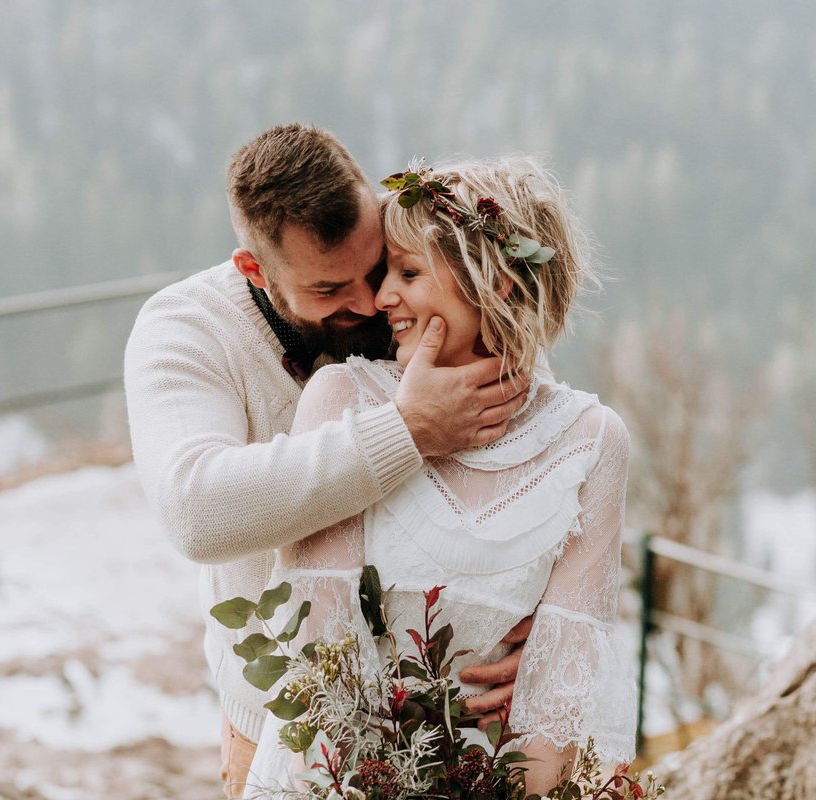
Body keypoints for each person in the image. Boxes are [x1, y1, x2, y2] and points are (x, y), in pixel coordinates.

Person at [123, 125, 532, 796]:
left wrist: (538, 632)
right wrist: (408, 430)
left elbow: (529, 451)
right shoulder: (184, 332)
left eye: (375, 268)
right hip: (288, 721)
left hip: (459, 703)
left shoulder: (409, 272)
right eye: (330, 288)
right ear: (254, 269)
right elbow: (195, 511)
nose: (371, 301)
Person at [242, 156, 635, 797]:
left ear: (499, 281)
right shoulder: (343, 400)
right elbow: (321, 649)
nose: (380, 298)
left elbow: (564, 685)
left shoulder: (592, 442)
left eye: (409, 272)